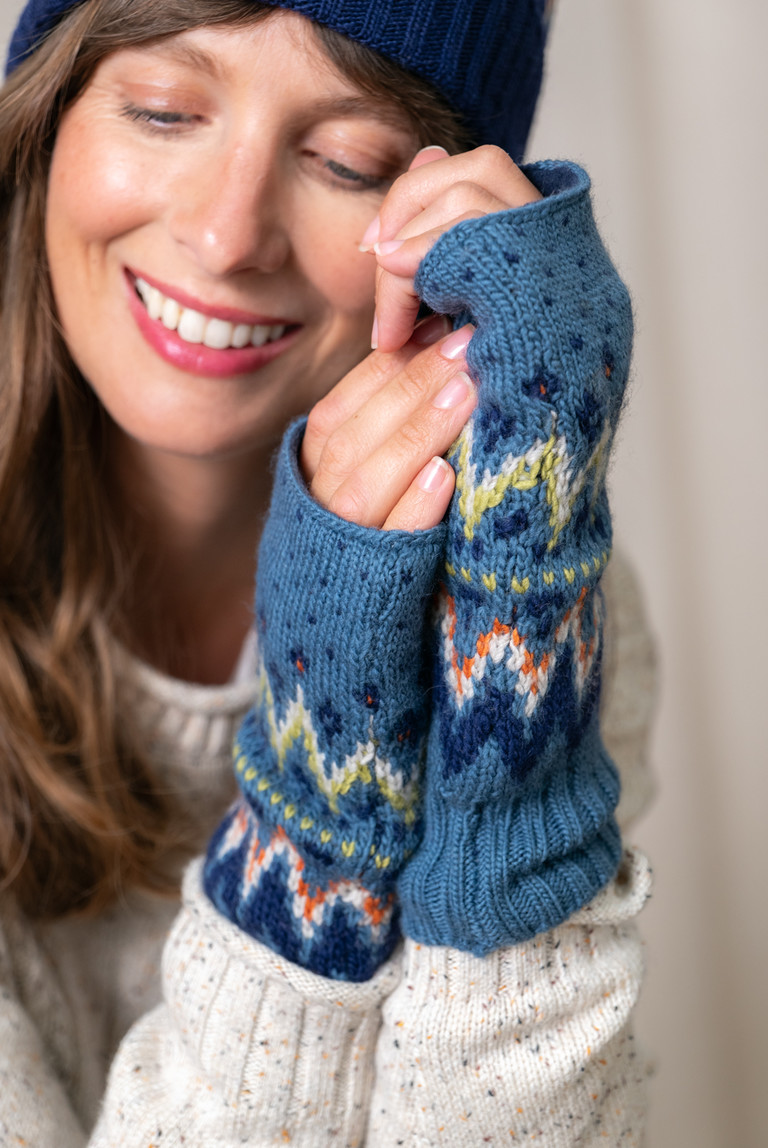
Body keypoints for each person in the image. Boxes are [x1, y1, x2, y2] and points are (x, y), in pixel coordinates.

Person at [0, 0, 656, 1143]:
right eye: (163, 110)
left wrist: (507, 749)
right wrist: (320, 806)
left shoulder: (532, 598)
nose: (226, 232)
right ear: (47, 118)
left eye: (344, 160)